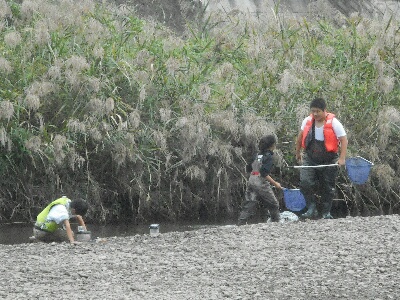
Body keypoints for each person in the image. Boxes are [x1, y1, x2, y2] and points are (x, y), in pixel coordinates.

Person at [295, 98, 348, 219]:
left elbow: (344, 140)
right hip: (310, 157)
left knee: (328, 186)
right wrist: (297, 152)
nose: (315, 114)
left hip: (329, 159)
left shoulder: (334, 123)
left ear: (324, 111)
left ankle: (325, 212)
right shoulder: (307, 121)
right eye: (313, 111)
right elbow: (300, 137)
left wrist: (342, 158)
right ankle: (311, 207)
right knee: (305, 182)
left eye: (317, 111)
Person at [237, 135, 282, 225]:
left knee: (249, 203)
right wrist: (275, 183)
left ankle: (240, 223)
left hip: (251, 180)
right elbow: (264, 173)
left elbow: (249, 168)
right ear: (272, 145)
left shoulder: (257, 155)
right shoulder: (269, 157)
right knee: (273, 203)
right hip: (260, 182)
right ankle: (276, 222)